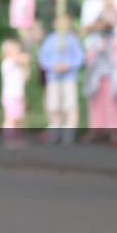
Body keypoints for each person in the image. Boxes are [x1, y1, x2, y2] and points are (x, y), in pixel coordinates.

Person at [80, 0, 117, 142]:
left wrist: (108, 5)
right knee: (95, 88)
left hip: (114, 48)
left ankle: (115, 128)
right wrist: (101, 23)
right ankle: (96, 129)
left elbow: (115, 21)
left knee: (115, 88)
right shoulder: (89, 3)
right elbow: (86, 27)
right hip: (96, 47)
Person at [37, 14, 83, 144]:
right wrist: (52, 67)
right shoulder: (49, 40)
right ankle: (55, 129)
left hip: (68, 78)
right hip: (53, 78)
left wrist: (68, 66)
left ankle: (69, 131)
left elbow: (79, 57)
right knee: (53, 105)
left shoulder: (72, 40)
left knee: (70, 105)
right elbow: (42, 58)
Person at [0, 38, 30, 149]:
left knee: (17, 118)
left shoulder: (17, 66)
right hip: (10, 96)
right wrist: (24, 58)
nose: (18, 52)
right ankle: (9, 140)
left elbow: (25, 78)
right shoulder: (7, 63)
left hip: (18, 95)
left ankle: (15, 139)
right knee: (10, 118)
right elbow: (17, 59)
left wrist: (26, 65)